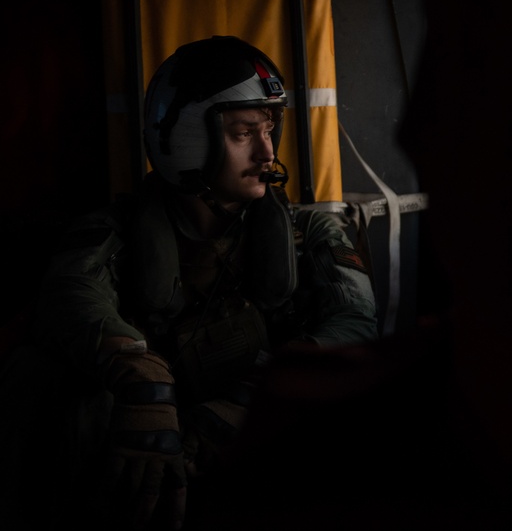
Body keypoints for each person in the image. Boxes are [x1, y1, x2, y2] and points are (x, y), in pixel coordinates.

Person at [0, 35, 379, 530]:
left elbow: (354, 321)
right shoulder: (114, 231)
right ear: (183, 138)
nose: (268, 150)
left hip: (259, 445)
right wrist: (140, 374)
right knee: (35, 374)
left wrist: (255, 398)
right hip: (145, 452)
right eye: (245, 132)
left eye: (269, 129)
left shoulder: (309, 232)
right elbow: (69, 293)